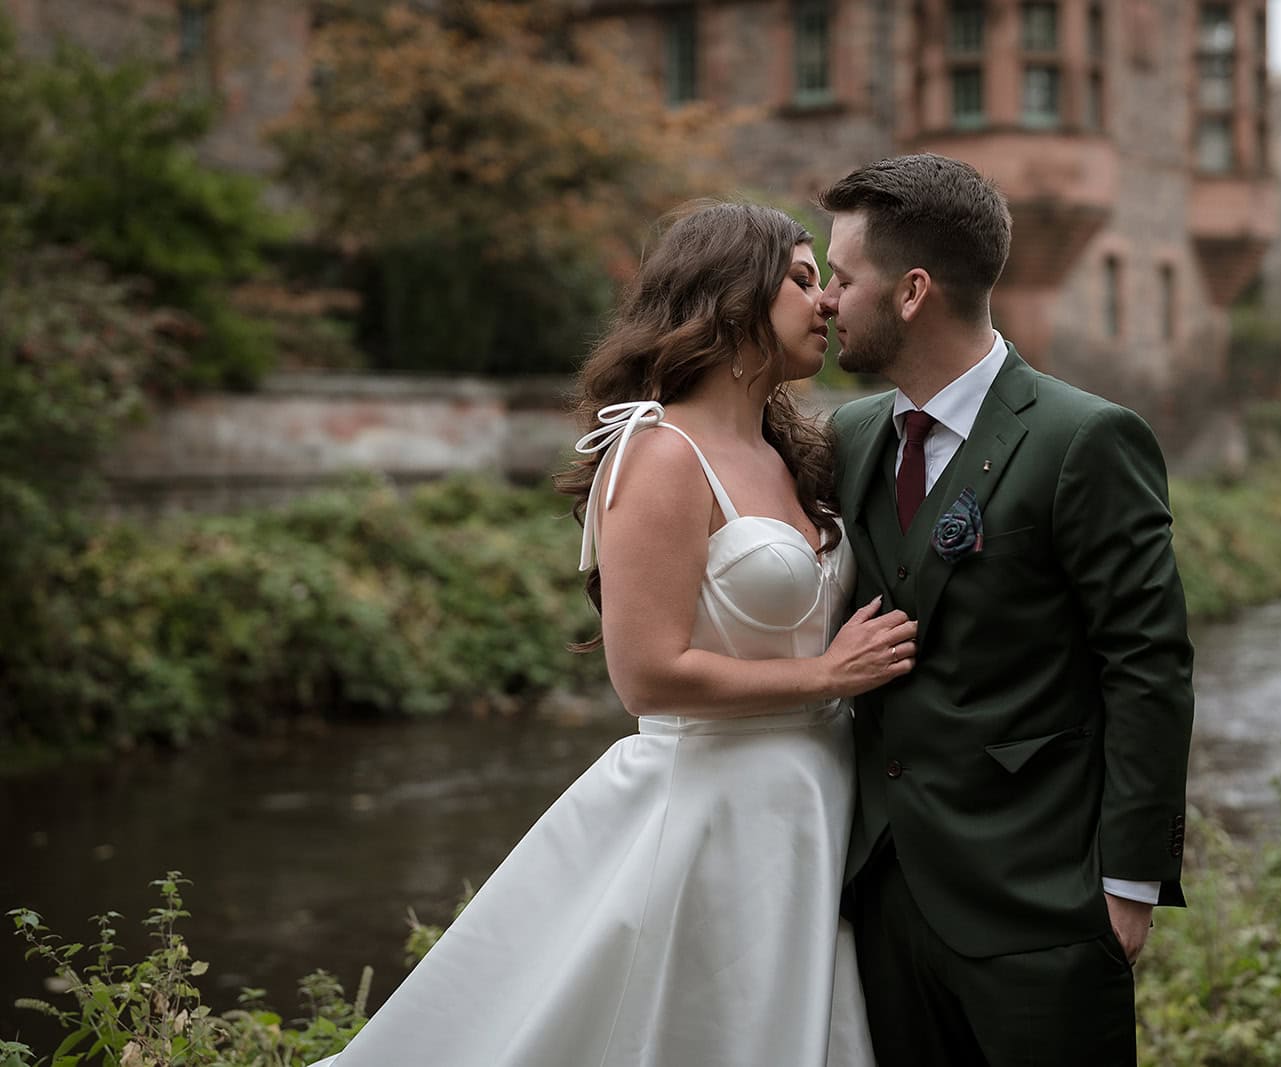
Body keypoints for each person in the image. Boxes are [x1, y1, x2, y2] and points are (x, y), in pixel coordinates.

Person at [311, 202, 912, 1067]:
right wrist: (829, 676)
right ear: (732, 292)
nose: (825, 303)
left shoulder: (799, 451)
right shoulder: (660, 453)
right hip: (710, 812)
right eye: (803, 279)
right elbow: (648, 676)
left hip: (812, 808)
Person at [819, 154, 1195, 1066]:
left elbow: (1148, 664)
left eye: (841, 277)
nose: (826, 299)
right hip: (883, 892)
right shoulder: (850, 434)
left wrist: (1127, 885)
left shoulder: (1086, 439)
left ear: (911, 292)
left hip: (1043, 902)